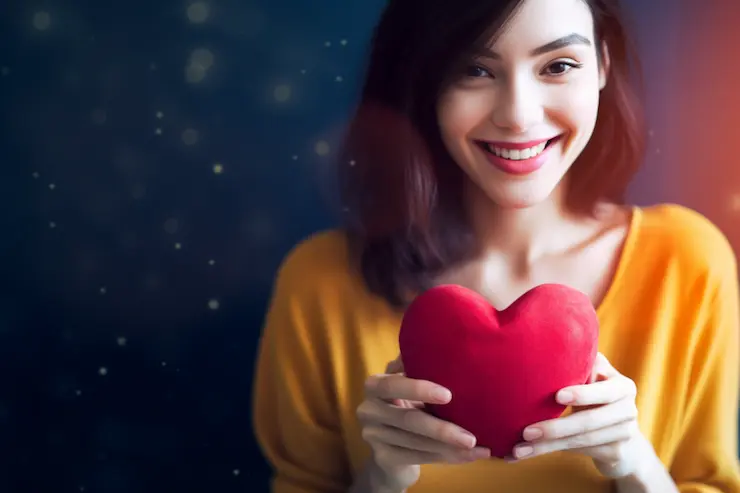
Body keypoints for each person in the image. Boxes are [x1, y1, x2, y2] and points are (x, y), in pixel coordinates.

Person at [252, 0, 740, 491]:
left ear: (603, 66)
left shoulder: (687, 263)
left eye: (558, 66)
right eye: (475, 70)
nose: (518, 117)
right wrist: (381, 476)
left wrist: (634, 461)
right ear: (425, 80)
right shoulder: (320, 281)